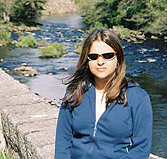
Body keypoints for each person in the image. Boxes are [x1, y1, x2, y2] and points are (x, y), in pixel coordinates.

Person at [55, 28, 153, 159]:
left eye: (107, 55)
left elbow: (141, 150)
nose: (100, 62)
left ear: (118, 58)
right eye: (94, 56)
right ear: (87, 59)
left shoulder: (137, 97)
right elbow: (63, 141)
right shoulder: (75, 92)